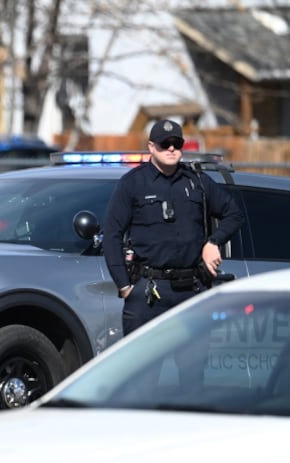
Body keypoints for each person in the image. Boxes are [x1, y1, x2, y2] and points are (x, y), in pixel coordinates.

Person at [103, 119, 244, 335]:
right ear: (151, 147)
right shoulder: (132, 183)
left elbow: (233, 213)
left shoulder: (197, 182)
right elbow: (112, 235)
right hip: (149, 294)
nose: (171, 148)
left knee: (194, 365)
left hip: (191, 290)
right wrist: (124, 287)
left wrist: (214, 242)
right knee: (146, 367)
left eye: (176, 144)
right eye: (164, 143)